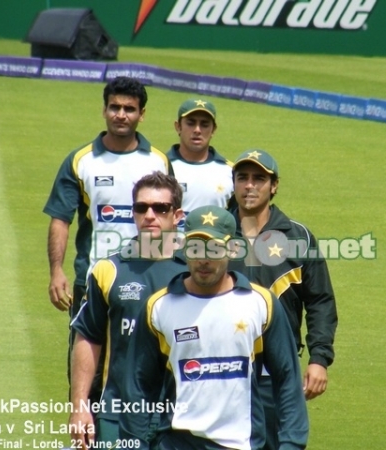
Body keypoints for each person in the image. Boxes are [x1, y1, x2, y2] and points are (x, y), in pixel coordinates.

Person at [119, 205, 309, 450]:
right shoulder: (158, 307)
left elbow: (287, 380)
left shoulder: (261, 304)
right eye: (195, 247)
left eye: (214, 248)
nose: (203, 259)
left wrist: (291, 444)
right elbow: (138, 387)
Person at [43, 76, 172, 391]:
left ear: (142, 114)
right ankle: (83, 437)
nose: (121, 114)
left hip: (147, 276)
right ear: (104, 110)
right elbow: (61, 218)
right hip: (92, 280)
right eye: (114, 107)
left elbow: (169, 219)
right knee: (87, 369)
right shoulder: (80, 160)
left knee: (148, 364)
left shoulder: (157, 161)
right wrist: (56, 270)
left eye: (129, 108)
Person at [227, 150, 338, 450]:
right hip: (221, 370)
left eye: (259, 179)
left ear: (274, 186)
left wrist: (319, 359)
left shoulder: (298, 237)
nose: (250, 186)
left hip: (276, 374)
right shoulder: (213, 237)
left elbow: (320, 301)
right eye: (243, 178)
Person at [69, 172, 187, 449]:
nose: (149, 215)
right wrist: (79, 406)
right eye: (141, 207)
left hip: (183, 414)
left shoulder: (198, 272)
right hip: (118, 412)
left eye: (160, 208)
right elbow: (88, 337)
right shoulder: (108, 270)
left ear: (178, 215)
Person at [166, 98, 234, 227]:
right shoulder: (160, 166)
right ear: (178, 126)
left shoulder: (231, 171)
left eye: (204, 124)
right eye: (191, 123)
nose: (197, 130)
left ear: (213, 129)